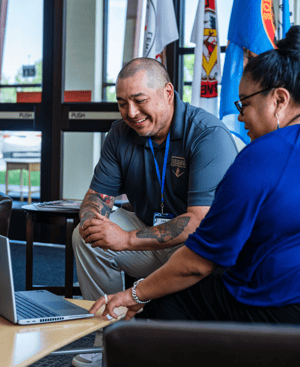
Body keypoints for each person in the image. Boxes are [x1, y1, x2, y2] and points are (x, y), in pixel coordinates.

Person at [90, 26, 300, 325]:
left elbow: (199, 262)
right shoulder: (119, 133)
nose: (240, 116)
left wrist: (134, 295)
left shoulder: (259, 156)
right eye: (122, 103)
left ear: (279, 100)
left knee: (163, 306)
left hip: (279, 301)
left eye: (245, 103)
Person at [72, 57, 237, 366]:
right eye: (122, 103)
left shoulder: (206, 133)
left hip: (198, 251)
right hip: (151, 237)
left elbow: (199, 223)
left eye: (139, 100)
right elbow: (96, 197)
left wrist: (127, 240)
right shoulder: (120, 133)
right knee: (84, 237)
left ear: (168, 92)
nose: (131, 113)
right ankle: (110, 337)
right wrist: (91, 219)